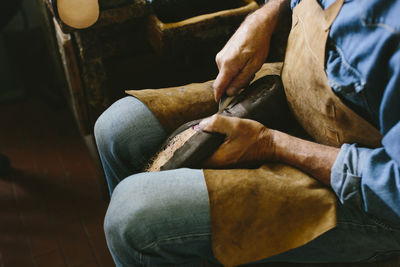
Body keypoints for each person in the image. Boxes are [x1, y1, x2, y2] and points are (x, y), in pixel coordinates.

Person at [94, 0, 400, 266]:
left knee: (132, 216)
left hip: (368, 192)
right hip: (303, 89)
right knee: (118, 128)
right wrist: (264, 18)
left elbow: (394, 188)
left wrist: (272, 143)